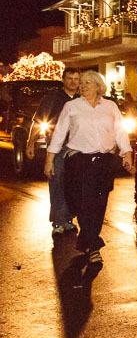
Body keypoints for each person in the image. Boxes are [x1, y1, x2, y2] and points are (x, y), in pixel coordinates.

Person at [44, 70, 134, 266]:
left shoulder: (110, 106)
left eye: (87, 82)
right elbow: (59, 133)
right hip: (78, 161)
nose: (83, 85)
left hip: (103, 162)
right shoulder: (71, 106)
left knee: (98, 204)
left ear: (97, 86)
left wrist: (127, 153)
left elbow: (120, 130)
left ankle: (91, 244)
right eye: (81, 83)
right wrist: (50, 159)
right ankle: (91, 242)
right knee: (80, 203)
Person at [27, 67, 81, 235]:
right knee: (57, 183)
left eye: (76, 79)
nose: (73, 82)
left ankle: (68, 220)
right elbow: (39, 120)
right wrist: (30, 142)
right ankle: (57, 221)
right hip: (58, 148)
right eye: (70, 78)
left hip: (78, 149)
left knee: (72, 185)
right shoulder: (53, 97)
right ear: (63, 80)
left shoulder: (82, 99)